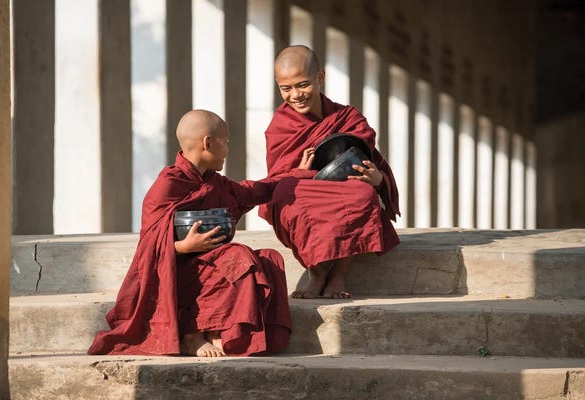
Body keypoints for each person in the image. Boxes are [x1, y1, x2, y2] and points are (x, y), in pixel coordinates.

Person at [88, 110, 292, 357]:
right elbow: (147, 250)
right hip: (174, 276)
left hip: (209, 266)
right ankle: (192, 335)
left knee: (269, 259)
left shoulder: (214, 182)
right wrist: (183, 247)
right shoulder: (169, 184)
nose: (227, 149)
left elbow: (253, 191)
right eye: (225, 141)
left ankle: (221, 332)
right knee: (237, 254)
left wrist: (297, 174)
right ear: (208, 143)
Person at [259, 45, 400, 299]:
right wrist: (299, 171)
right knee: (284, 198)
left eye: (303, 85)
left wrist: (377, 179)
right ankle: (317, 272)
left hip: (345, 187)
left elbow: (369, 161)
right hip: (306, 190)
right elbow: (275, 179)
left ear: (320, 78)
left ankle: (338, 274)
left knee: (363, 196)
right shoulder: (280, 126)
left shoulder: (347, 117)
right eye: (286, 88)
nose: (296, 95)